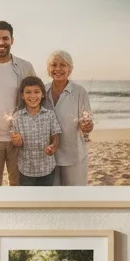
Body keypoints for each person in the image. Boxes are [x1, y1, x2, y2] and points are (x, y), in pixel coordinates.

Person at [0, 20, 37, 186]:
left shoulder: (25, 67)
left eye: (5, 38)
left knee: (18, 186)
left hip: (19, 139)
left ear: (12, 40)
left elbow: (36, 99)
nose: (1, 43)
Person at [44, 50, 94, 186]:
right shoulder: (43, 91)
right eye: (54, 65)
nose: (58, 69)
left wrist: (87, 126)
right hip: (48, 155)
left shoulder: (79, 92)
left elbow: (88, 122)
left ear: (70, 68)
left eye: (63, 65)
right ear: (48, 68)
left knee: (74, 197)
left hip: (73, 154)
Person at [10, 76, 62, 186]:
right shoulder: (17, 117)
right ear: (22, 96)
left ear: (43, 94)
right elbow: (15, 142)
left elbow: (56, 135)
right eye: (28, 92)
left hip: (47, 168)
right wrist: (17, 141)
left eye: (36, 92)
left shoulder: (49, 115)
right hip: (26, 170)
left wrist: (53, 146)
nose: (32, 96)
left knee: (45, 200)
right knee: (29, 201)